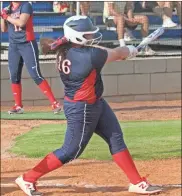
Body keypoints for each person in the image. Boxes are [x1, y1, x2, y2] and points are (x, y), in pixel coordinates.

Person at [15, 15, 163, 196]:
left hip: (95, 102)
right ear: (77, 36)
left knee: (115, 138)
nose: (91, 38)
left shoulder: (65, 48)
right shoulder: (89, 56)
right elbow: (116, 53)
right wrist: (130, 50)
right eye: (88, 35)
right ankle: (28, 178)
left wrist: (125, 51)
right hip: (82, 108)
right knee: (71, 150)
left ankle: (136, 182)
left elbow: (104, 52)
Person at [0, 1, 62, 114]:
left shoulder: (26, 5)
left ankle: (55, 103)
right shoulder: (7, 8)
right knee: (14, 75)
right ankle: (18, 106)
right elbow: (3, 29)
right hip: (14, 45)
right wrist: (2, 16)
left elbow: (21, 23)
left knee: (36, 75)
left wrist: (7, 16)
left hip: (27, 43)